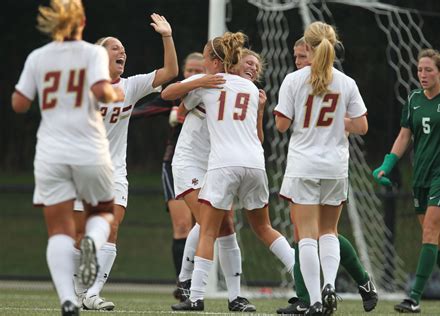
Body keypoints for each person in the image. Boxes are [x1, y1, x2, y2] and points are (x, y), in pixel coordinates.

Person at [165, 34, 295, 312]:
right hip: (194, 163)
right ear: (233, 64)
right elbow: (174, 103)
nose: (252, 69)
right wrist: (199, 81)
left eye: (255, 66)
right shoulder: (223, 85)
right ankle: (190, 283)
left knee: (217, 227)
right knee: (218, 225)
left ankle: (207, 293)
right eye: (247, 62)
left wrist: (196, 89)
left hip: (220, 163)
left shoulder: (232, 88)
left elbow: (176, 102)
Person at [11, 0, 123, 315]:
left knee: (58, 229)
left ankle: (68, 301)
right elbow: (103, 91)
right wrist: (114, 94)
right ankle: (91, 240)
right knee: (102, 214)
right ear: (83, 22)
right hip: (89, 147)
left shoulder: (38, 57)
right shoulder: (92, 53)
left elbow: (19, 103)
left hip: (50, 152)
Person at [72, 13, 179, 311]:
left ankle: (92, 294)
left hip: (114, 171)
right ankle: (76, 290)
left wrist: (166, 36)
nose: (122, 52)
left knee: (112, 227)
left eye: (123, 49)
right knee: (80, 236)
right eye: (114, 48)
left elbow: (171, 70)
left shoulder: (130, 86)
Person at [277, 37, 377, 315]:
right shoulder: (346, 82)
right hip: (334, 166)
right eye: (295, 57)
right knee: (324, 232)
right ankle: (320, 291)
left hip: (305, 164)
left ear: (316, 52)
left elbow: (282, 124)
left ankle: (316, 300)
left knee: (308, 235)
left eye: (302, 56)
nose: (298, 62)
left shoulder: (296, 80)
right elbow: (361, 125)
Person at [373, 48, 440, 314]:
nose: (423, 74)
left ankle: (414, 297)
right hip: (421, 176)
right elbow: (405, 136)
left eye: (429, 70)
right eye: (420, 70)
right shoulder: (414, 99)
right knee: (436, 239)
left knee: (429, 231)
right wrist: (387, 164)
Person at [131, 52, 205, 300]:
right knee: (183, 226)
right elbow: (143, 110)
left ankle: (200, 282)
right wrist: (116, 112)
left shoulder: (210, 91)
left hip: (207, 165)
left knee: (203, 225)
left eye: (198, 70)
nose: (193, 75)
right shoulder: (176, 93)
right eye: (189, 70)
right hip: (176, 165)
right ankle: (183, 286)